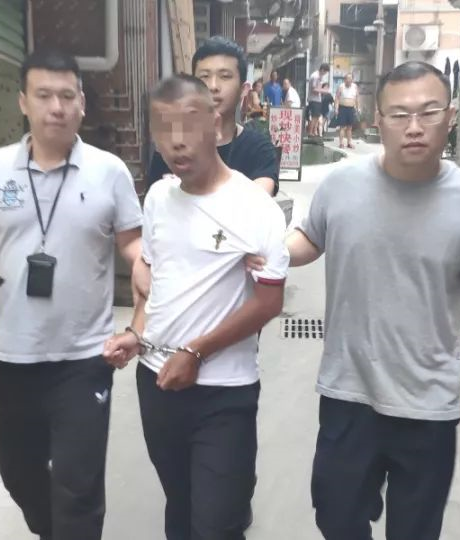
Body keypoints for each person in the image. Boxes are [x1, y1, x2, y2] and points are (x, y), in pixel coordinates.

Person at [246, 61, 460, 540]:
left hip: (428, 401)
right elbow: (310, 238)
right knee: (335, 515)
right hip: (349, 391)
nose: (414, 127)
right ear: (377, 117)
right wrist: (270, 253)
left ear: (450, 116)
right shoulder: (341, 185)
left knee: (415, 530)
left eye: (428, 112)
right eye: (399, 114)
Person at [0, 49, 143, 540]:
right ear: (23, 102)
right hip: (13, 357)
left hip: (84, 358)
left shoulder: (109, 171)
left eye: (67, 96)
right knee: (19, 474)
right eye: (44, 95)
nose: (57, 107)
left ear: (82, 104)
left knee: (78, 487)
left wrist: (146, 271)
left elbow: (132, 243)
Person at [103, 74, 290, 540]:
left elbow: (269, 302)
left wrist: (197, 351)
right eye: (163, 128)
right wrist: (136, 333)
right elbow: (156, 282)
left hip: (224, 391)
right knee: (181, 505)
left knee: (217, 523)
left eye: (188, 124)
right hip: (157, 383)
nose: (177, 141)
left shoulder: (255, 207)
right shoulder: (159, 198)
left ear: (214, 121)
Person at [146, 37, 279, 197]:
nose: (213, 86)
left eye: (225, 76)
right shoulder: (172, 148)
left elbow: (257, 203)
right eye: (204, 76)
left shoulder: (258, 149)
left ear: (243, 90)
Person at [334, 73, 359, 149]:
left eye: (350, 79)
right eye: (347, 79)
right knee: (342, 127)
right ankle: (341, 143)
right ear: (345, 80)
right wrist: (336, 108)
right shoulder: (341, 87)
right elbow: (337, 98)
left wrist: (357, 108)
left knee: (350, 127)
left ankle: (349, 143)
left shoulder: (355, 86)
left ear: (352, 80)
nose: (349, 80)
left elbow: (357, 98)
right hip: (343, 108)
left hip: (351, 108)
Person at [307, 64, 330, 137]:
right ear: (322, 70)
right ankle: (310, 132)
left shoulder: (319, 76)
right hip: (314, 99)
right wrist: (324, 91)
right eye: (325, 72)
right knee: (314, 116)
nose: (325, 74)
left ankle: (314, 131)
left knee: (317, 116)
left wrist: (322, 90)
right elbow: (313, 89)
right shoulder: (315, 76)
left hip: (317, 99)